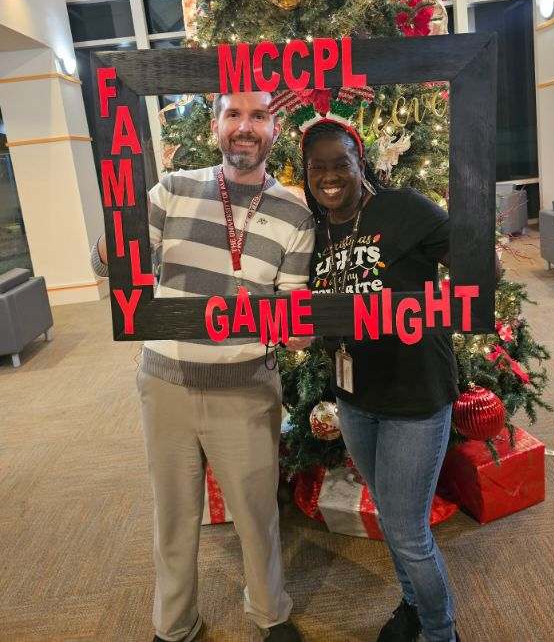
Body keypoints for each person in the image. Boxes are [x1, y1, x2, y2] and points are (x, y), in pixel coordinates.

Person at [91, 91, 314, 642]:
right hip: (164, 380)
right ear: (215, 123)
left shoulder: (295, 213)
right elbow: (114, 261)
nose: (245, 127)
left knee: (256, 515)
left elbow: (294, 308)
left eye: (258, 116)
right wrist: (112, 241)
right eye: (234, 114)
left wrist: (299, 327)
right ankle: (175, 623)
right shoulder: (173, 188)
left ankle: (269, 614)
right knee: (174, 514)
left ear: (275, 126)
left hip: (245, 386)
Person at [302, 117, 462, 642]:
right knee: (392, 517)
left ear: (360, 163)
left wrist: (473, 276)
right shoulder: (314, 229)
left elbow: (472, 263)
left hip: (415, 393)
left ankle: (441, 632)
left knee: (406, 530)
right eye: (317, 166)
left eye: (339, 164)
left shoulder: (403, 208)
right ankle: (413, 606)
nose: (329, 175)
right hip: (356, 396)